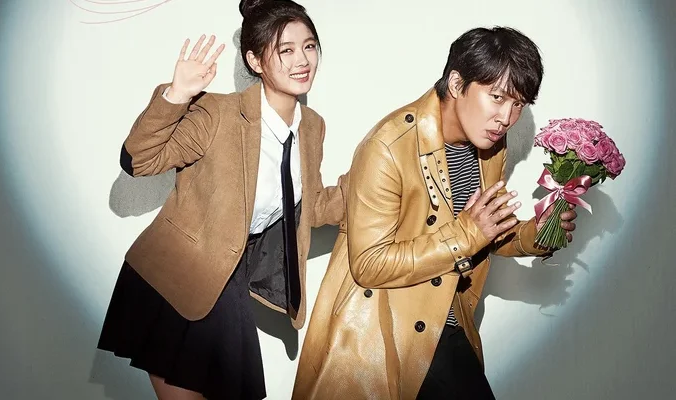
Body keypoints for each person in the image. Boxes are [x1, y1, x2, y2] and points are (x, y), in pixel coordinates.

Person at [292, 26, 578, 400]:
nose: (506, 117)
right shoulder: (389, 147)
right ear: (457, 84)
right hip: (385, 328)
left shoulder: (490, 146)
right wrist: (468, 234)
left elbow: (484, 230)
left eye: (518, 105)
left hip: (446, 318)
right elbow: (369, 265)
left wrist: (534, 233)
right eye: (496, 98)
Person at [97, 1, 347, 399]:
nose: (302, 60)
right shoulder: (218, 113)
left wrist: (375, 182)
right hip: (173, 276)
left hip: (227, 279)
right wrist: (176, 95)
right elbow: (139, 160)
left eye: (309, 46)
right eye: (286, 50)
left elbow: (311, 205)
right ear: (255, 60)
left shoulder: (312, 127)